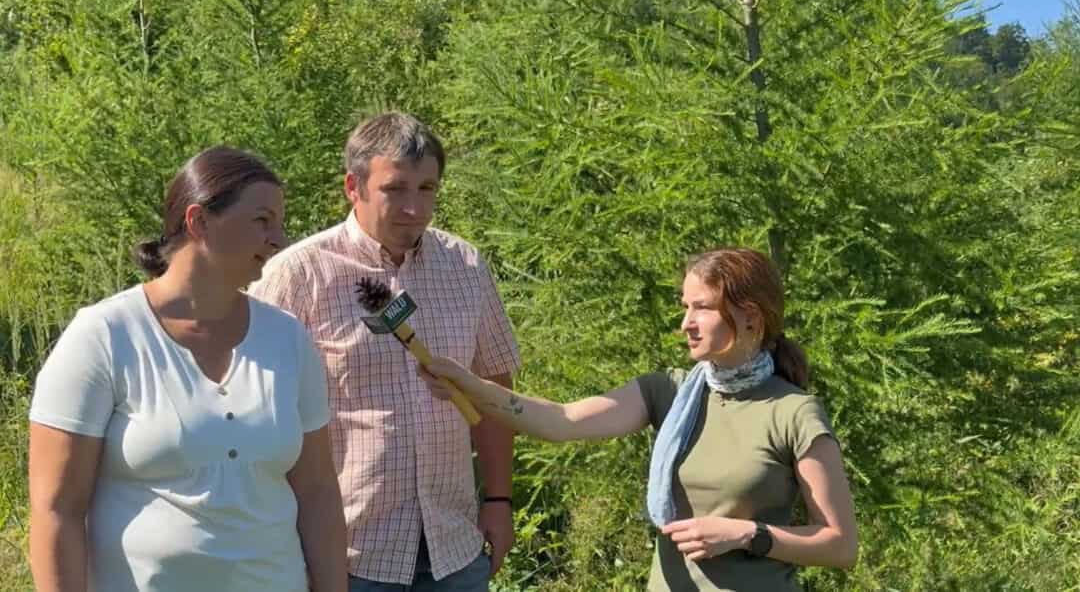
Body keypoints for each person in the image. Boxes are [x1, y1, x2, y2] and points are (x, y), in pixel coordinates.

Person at [421, 247, 858, 591]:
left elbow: (840, 545)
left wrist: (748, 535)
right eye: (684, 306)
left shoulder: (794, 412)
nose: (685, 322)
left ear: (750, 317)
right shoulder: (667, 391)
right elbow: (563, 421)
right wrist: (471, 385)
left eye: (701, 308)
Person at [28, 146, 347, 592]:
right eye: (262, 220)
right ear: (199, 221)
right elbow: (56, 509)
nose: (279, 238)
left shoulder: (288, 339)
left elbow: (318, 495)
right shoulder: (104, 335)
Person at [248, 112, 520, 591]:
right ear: (354, 187)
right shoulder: (298, 275)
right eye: (396, 189)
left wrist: (498, 500)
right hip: (345, 552)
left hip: (454, 547)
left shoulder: (465, 265)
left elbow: (495, 387)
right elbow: (254, 412)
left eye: (427, 189)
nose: (414, 208)